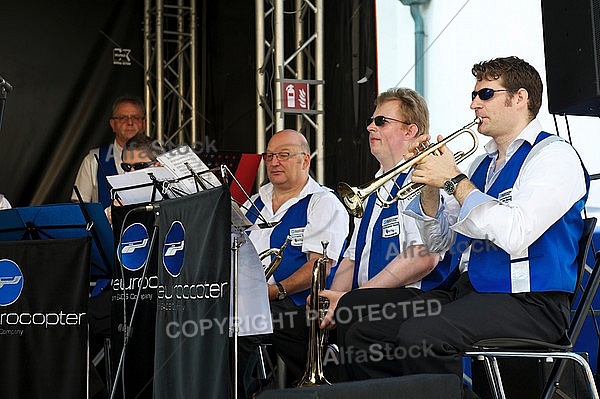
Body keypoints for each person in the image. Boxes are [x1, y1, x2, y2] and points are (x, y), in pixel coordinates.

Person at [338, 56, 589, 389]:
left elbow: (515, 233)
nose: (473, 104)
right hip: (471, 292)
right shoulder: (482, 163)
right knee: (359, 315)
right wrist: (430, 190)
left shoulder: (553, 156)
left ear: (519, 98)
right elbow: (440, 243)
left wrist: (454, 181)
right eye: (473, 95)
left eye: (485, 95)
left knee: (422, 334)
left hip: (530, 301)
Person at [317, 88, 449, 350]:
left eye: (381, 122)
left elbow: (423, 254)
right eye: (371, 121)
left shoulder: (424, 177)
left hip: (416, 296)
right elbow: (353, 257)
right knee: (303, 321)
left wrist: (351, 298)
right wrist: (331, 298)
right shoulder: (373, 187)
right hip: (369, 299)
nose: (369, 127)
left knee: (353, 319)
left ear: (410, 131)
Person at [241, 129, 349, 391]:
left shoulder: (322, 202)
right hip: (258, 301)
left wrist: (274, 291)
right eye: (270, 156)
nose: (274, 162)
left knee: (238, 325)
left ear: (305, 160)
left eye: (284, 155)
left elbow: (319, 267)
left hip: (300, 305)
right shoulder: (253, 203)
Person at [71, 95, 147, 207]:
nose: (130, 122)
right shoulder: (93, 160)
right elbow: (79, 207)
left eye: (135, 117)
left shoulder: (159, 160)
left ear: (144, 123)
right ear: (113, 124)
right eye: (123, 118)